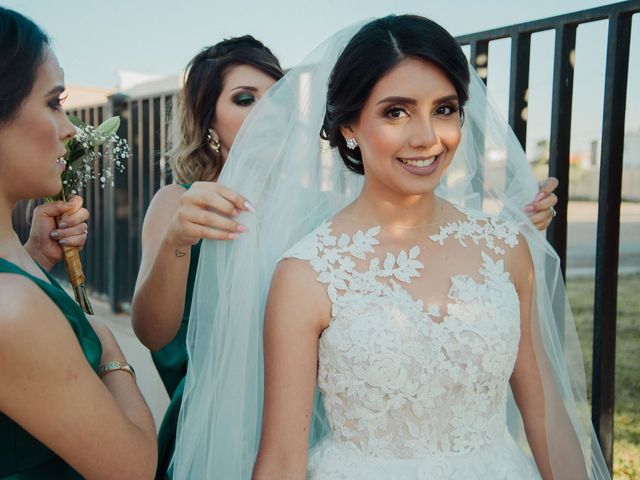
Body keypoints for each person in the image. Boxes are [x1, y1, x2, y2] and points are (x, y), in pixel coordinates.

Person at [174, 15, 609, 480]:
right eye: (395, 111)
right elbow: (281, 460)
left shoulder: (505, 248)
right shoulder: (307, 274)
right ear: (349, 128)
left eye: (444, 109)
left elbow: (545, 414)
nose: (426, 137)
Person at [0, 7, 157, 479]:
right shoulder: (12, 311)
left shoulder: (16, 276)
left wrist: (31, 260)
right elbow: (134, 468)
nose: (69, 129)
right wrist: (107, 347)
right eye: (53, 103)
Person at [130, 35, 285, 479]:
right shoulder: (176, 202)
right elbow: (153, 333)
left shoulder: (319, 206)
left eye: (277, 98)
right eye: (244, 99)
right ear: (209, 121)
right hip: (214, 423)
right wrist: (179, 236)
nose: (266, 113)